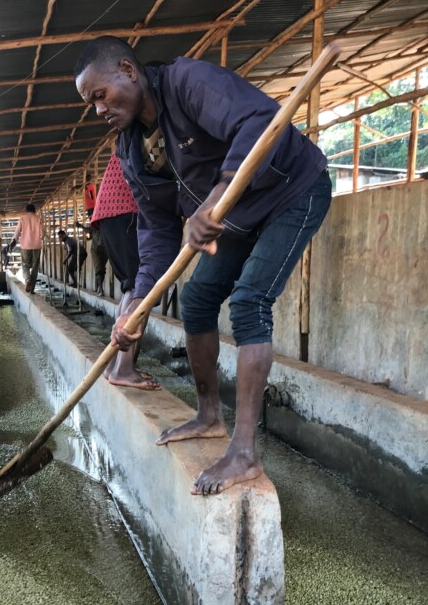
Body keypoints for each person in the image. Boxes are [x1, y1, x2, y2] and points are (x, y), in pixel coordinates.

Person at [75, 36, 332, 497]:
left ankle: (245, 452)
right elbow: (154, 232)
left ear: (128, 72)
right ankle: (209, 416)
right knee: (196, 300)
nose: (98, 110)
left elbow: (260, 122)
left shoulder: (187, 81)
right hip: (236, 215)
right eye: (90, 103)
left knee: (250, 301)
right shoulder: (131, 151)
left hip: (291, 191)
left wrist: (213, 200)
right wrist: (137, 301)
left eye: (100, 95)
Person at [91, 153, 160, 391]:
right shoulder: (149, 130)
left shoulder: (130, 135)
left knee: (130, 286)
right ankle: (123, 368)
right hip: (126, 209)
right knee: (139, 285)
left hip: (109, 213)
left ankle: (116, 365)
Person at [10, 204, 43, 293]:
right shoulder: (38, 218)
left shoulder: (22, 218)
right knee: (35, 268)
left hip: (25, 245)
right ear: (34, 210)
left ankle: (28, 280)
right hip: (36, 246)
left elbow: (17, 231)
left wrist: (13, 242)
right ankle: (32, 290)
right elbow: (42, 233)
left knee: (25, 265)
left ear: (26, 210)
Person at [75, 210, 108, 295]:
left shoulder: (105, 226)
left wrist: (80, 227)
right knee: (98, 268)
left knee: (102, 268)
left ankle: (99, 287)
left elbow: (88, 233)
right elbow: (88, 232)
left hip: (105, 249)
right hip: (96, 249)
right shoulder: (93, 227)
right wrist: (80, 226)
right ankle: (100, 288)